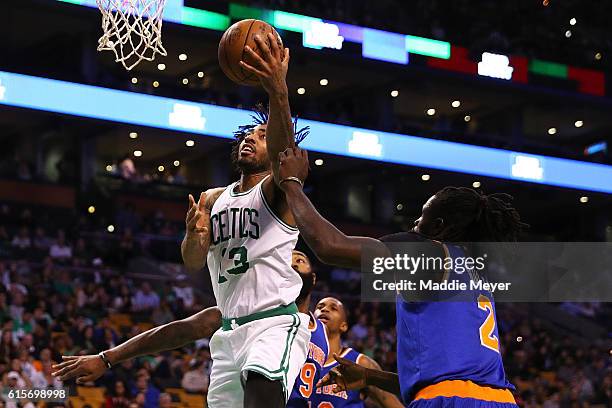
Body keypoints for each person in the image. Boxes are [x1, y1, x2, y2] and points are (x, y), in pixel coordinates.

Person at [275, 147, 525, 407]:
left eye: (421, 218)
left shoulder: (430, 252)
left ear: (439, 227)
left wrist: (291, 183)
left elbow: (329, 246)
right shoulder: (477, 276)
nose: (414, 224)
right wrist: (369, 376)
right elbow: (447, 379)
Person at [180, 33, 311, 407]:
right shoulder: (211, 198)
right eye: (248, 135)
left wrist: (278, 90)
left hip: (273, 322)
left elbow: (286, 150)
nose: (250, 140)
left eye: (262, 135)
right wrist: (194, 235)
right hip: (227, 333)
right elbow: (191, 262)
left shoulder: (278, 190)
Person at [311, 297, 404, 408]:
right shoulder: (299, 357)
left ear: (343, 326)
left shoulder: (360, 362)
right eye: (320, 307)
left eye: (333, 308)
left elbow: (394, 404)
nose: (325, 309)